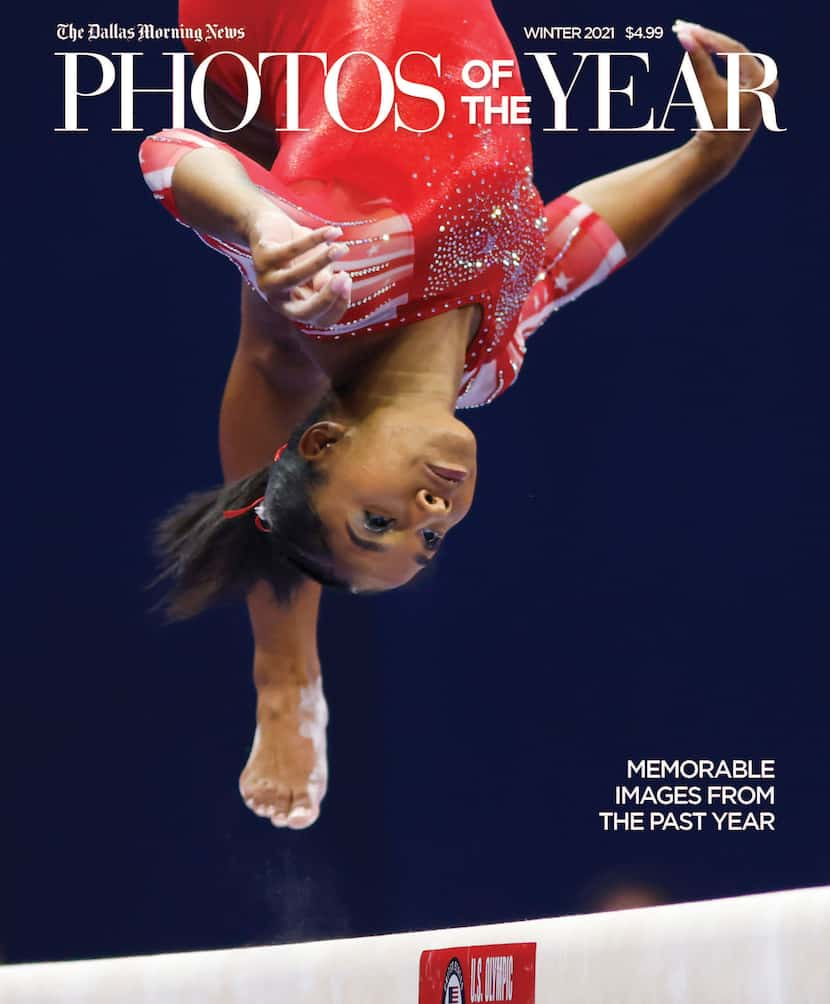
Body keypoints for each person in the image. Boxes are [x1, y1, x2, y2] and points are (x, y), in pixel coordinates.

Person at [139, 5, 778, 828]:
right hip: (303, 85)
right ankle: (286, 665)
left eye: (380, 521)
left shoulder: (344, 274)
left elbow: (167, 155)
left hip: (261, 27)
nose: (429, 517)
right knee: (276, 336)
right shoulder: (491, 364)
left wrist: (258, 220)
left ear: (328, 440)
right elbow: (565, 247)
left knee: (280, 328)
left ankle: (285, 671)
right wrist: (705, 159)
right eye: (429, 541)